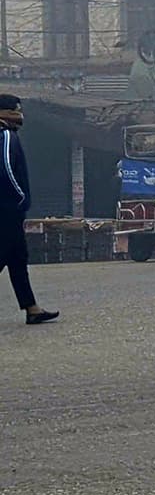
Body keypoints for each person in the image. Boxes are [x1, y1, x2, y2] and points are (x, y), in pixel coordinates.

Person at [0, 95, 58, 325]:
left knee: (17, 258)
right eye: (16, 110)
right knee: (5, 254)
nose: (20, 115)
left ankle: (31, 308)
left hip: (8, 208)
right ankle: (31, 308)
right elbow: (5, 170)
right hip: (6, 209)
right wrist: (20, 197)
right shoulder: (5, 136)